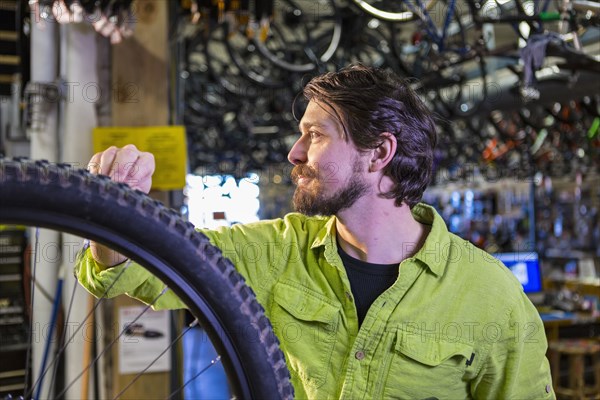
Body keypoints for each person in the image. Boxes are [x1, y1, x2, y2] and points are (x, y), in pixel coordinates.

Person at [76, 64, 554, 399]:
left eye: (316, 134)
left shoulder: (490, 296)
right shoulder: (274, 253)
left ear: (378, 153)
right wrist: (118, 208)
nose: (294, 152)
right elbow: (132, 273)